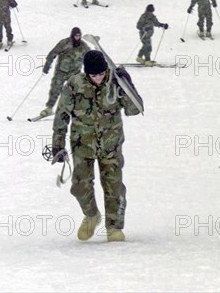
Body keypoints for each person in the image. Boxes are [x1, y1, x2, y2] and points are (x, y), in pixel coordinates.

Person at [52, 50, 143, 242]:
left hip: (111, 144)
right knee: (79, 185)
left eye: (102, 74)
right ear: (87, 73)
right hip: (82, 144)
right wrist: (57, 144)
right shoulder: (74, 85)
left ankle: (114, 227)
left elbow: (135, 109)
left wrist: (128, 85)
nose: (99, 78)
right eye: (94, 75)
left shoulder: (115, 83)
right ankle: (92, 215)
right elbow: (62, 114)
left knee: (114, 187)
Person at [40, 27, 90, 117]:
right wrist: (47, 65)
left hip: (75, 73)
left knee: (77, 90)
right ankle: (49, 108)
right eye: (75, 36)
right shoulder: (64, 43)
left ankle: (77, 108)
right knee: (55, 89)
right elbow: (53, 53)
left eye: (79, 36)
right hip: (61, 71)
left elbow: (90, 57)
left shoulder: (83, 46)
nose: (77, 38)